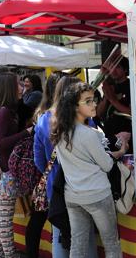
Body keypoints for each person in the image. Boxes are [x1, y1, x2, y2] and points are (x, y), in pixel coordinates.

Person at [52, 81, 128, 258]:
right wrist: (118, 151)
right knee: (111, 243)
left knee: (78, 245)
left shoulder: (60, 131)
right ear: (74, 106)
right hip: (97, 195)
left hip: (73, 195)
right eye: (88, 101)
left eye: (93, 100)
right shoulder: (89, 134)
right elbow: (107, 165)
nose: (94, 104)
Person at [34, 74, 97, 258]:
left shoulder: (43, 120)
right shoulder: (84, 119)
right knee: (85, 236)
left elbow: (39, 160)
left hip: (56, 188)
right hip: (82, 186)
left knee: (59, 235)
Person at [0, 72, 33, 258]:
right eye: (18, 83)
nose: (22, 86)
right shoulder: (3, 112)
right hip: (4, 170)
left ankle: (0, 253)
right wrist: (26, 132)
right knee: (4, 215)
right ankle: (8, 254)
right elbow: (0, 142)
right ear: (8, 88)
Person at [98, 57, 136, 151]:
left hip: (126, 136)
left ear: (125, 69)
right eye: (111, 67)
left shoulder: (132, 87)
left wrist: (113, 101)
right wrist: (106, 97)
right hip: (109, 135)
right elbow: (99, 113)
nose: (113, 70)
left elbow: (134, 113)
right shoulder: (110, 86)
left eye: (117, 67)